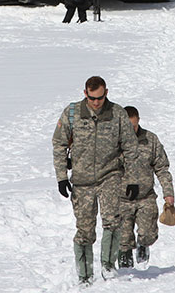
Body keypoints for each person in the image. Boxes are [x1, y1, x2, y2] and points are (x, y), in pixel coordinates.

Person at [52, 76, 139, 284]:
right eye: (92, 98)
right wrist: (62, 177)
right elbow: (59, 143)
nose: (96, 102)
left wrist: (132, 179)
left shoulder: (117, 113)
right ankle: (84, 275)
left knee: (112, 221)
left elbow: (130, 147)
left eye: (100, 97)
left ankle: (108, 266)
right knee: (84, 230)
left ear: (106, 93)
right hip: (82, 181)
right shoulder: (72, 113)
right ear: (85, 94)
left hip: (110, 176)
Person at [117, 106, 174, 268]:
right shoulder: (113, 142)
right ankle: (125, 262)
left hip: (145, 196)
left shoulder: (150, 140)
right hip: (121, 198)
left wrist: (168, 193)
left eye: (134, 126)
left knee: (148, 234)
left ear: (138, 121)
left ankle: (143, 245)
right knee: (123, 239)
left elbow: (162, 168)